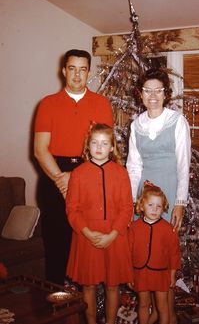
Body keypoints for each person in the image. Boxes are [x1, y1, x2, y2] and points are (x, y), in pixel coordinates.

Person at [34, 49, 113, 285]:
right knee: (56, 244)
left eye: (82, 69)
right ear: (63, 71)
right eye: (72, 68)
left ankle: (85, 302)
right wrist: (62, 178)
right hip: (53, 174)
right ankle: (56, 299)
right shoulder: (47, 104)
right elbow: (40, 150)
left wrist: (76, 178)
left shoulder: (101, 104)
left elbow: (103, 147)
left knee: (85, 244)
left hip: (89, 170)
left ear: (88, 72)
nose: (77, 75)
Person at [126, 68, 191, 324]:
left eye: (158, 90)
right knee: (145, 252)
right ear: (140, 94)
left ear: (166, 94)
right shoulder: (136, 125)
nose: (152, 95)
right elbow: (133, 167)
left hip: (168, 191)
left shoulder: (176, 121)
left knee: (163, 255)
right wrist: (132, 203)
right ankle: (153, 312)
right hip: (144, 197)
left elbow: (183, 164)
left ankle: (168, 314)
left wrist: (180, 203)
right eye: (147, 90)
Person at [66, 123, 133, 324]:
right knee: (88, 285)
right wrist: (86, 232)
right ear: (88, 145)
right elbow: (72, 209)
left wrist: (112, 234)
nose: (99, 147)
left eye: (104, 143)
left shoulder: (121, 173)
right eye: (95, 142)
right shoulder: (78, 173)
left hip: (114, 235)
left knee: (113, 286)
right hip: (86, 236)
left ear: (112, 147)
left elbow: (127, 208)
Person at [128, 181, 181, 324]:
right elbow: (128, 253)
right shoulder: (133, 228)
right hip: (140, 272)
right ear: (141, 206)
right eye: (150, 205)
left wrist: (172, 274)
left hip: (161, 273)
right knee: (143, 304)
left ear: (163, 208)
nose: (154, 209)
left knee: (162, 306)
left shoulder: (168, 229)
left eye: (158, 206)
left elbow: (174, 253)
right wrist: (129, 274)